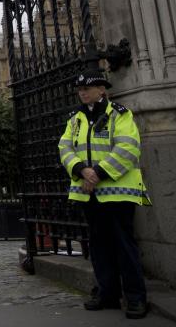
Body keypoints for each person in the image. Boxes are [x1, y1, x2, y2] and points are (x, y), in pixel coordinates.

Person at [58, 69, 152, 320]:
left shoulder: (119, 115)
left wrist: (97, 173)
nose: (83, 93)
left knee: (124, 245)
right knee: (99, 246)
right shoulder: (75, 119)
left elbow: (128, 148)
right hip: (88, 193)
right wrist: (80, 170)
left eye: (87, 88)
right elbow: (64, 148)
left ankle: (135, 297)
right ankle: (107, 292)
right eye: (80, 90)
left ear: (102, 90)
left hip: (117, 191)